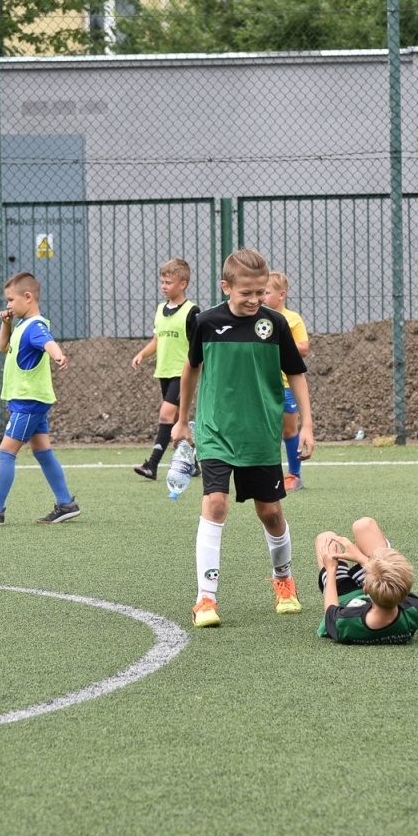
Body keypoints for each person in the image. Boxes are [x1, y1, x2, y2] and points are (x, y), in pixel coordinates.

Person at [172, 248, 313, 628]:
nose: (254, 300)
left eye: (261, 293)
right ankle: (205, 598)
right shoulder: (205, 322)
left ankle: (283, 580)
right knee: (215, 504)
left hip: (261, 435)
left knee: (270, 513)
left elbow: (296, 373)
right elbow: (191, 370)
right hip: (216, 431)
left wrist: (307, 425)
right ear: (226, 287)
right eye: (245, 293)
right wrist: (183, 421)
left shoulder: (276, 325)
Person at [0, 272, 80, 526]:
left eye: (11, 300)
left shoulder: (35, 327)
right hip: (32, 400)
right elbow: (4, 347)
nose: (8, 306)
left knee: (6, 452)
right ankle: (66, 503)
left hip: (29, 402)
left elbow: (48, 342)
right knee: (42, 451)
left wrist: (58, 355)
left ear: (28, 297)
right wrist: (6, 323)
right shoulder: (23, 325)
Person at [130, 258, 200, 480]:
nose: (164, 286)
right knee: (178, 420)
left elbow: (198, 345)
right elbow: (157, 340)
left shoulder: (192, 311)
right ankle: (195, 463)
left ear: (183, 284)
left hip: (183, 374)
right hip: (164, 372)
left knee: (166, 414)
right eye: (162, 282)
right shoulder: (161, 309)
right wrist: (142, 353)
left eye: (169, 282)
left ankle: (152, 464)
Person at [314, 517, 418, 644]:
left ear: (364, 587)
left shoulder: (346, 621)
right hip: (380, 588)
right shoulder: (413, 610)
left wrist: (331, 570)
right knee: (365, 525)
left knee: (326, 538)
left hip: (342, 597)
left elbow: (330, 610)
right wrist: (360, 558)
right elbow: (398, 586)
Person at [261, 272, 311, 490]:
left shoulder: (292, 319)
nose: (262, 296)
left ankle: (294, 474)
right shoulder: (259, 319)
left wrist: (281, 341)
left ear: (281, 295)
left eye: (267, 292)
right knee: (264, 430)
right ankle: (267, 474)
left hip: (287, 385)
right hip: (263, 384)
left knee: (289, 430)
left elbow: (304, 349)